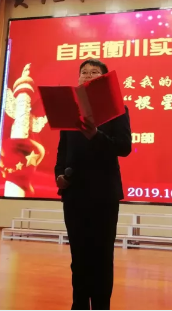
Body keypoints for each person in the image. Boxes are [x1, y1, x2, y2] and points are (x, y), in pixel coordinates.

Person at [54, 59, 132, 310]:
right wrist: (59, 175)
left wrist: (96, 135)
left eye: (94, 73)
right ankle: (78, 305)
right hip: (74, 192)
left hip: (103, 193)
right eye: (83, 72)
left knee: (101, 256)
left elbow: (124, 147)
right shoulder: (70, 111)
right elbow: (62, 150)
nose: (87, 76)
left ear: (104, 80)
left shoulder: (117, 109)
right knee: (78, 256)